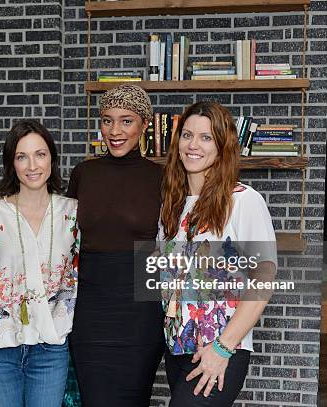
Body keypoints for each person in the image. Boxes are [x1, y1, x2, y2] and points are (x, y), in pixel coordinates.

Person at [158, 101, 277, 406]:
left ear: (222, 147)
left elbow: (263, 279)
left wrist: (222, 348)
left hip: (222, 351)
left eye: (206, 137)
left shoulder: (244, 201)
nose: (193, 145)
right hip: (178, 349)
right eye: (187, 135)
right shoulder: (172, 205)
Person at [0, 119, 80, 407]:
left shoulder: (73, 214)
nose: (32, 165)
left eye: (40, 154)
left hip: (50, 349)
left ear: (52, 158)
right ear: (12, 164)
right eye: (21, 156)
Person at [67, 83, 165, 406]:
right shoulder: (84, 173)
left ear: (144, 124)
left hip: (141, 309)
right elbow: (56, 226)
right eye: (107, 120)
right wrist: (1, 207)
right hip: (90, 309)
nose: (115, 130)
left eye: (126, 121)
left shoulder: (162, 177)